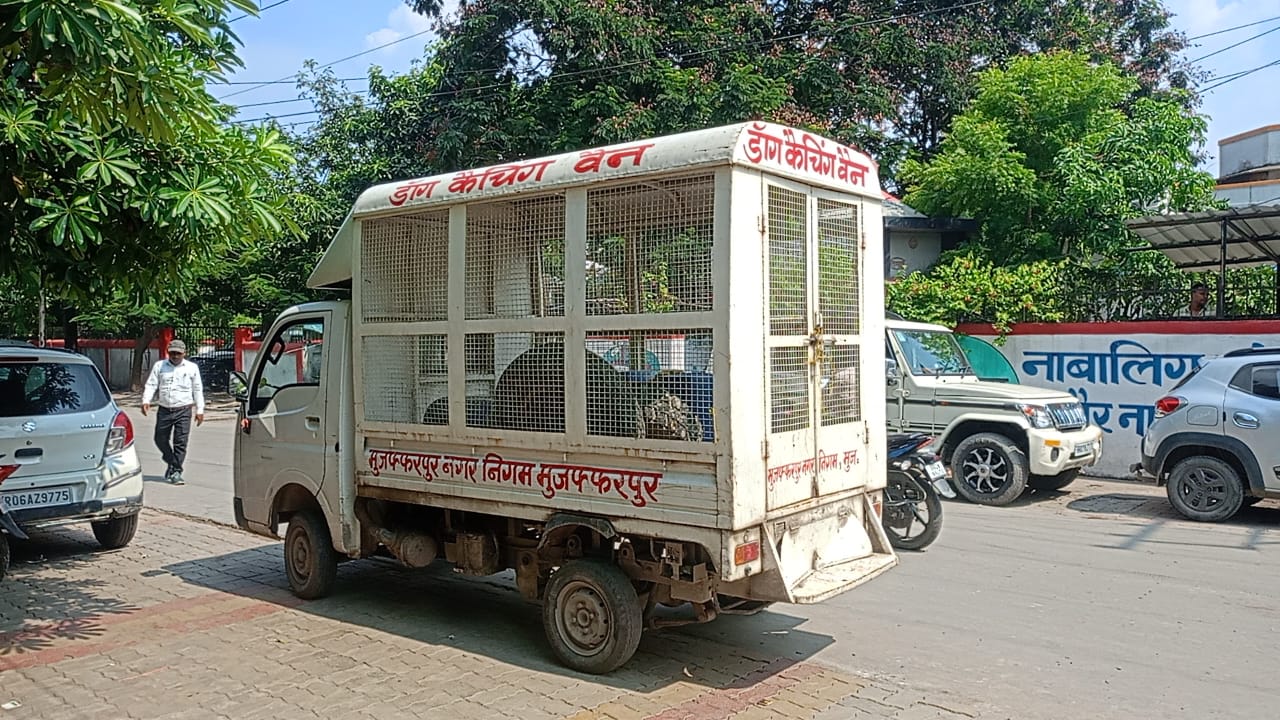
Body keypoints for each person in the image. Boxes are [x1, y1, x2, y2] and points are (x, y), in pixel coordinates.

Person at [141, 339, 205, 484]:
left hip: (184, 409)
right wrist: (146, 401)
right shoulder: (160, 366)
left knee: (180, 442)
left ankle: (176, 471)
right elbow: (151, 384)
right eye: (172, 353)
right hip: (164, 409)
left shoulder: (191, 368)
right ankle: (171, 460)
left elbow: (197, 389)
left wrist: (200, 410)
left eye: (178, 353)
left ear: (184, 353)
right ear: (168, 353)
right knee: (160, 439)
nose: (175, 356)